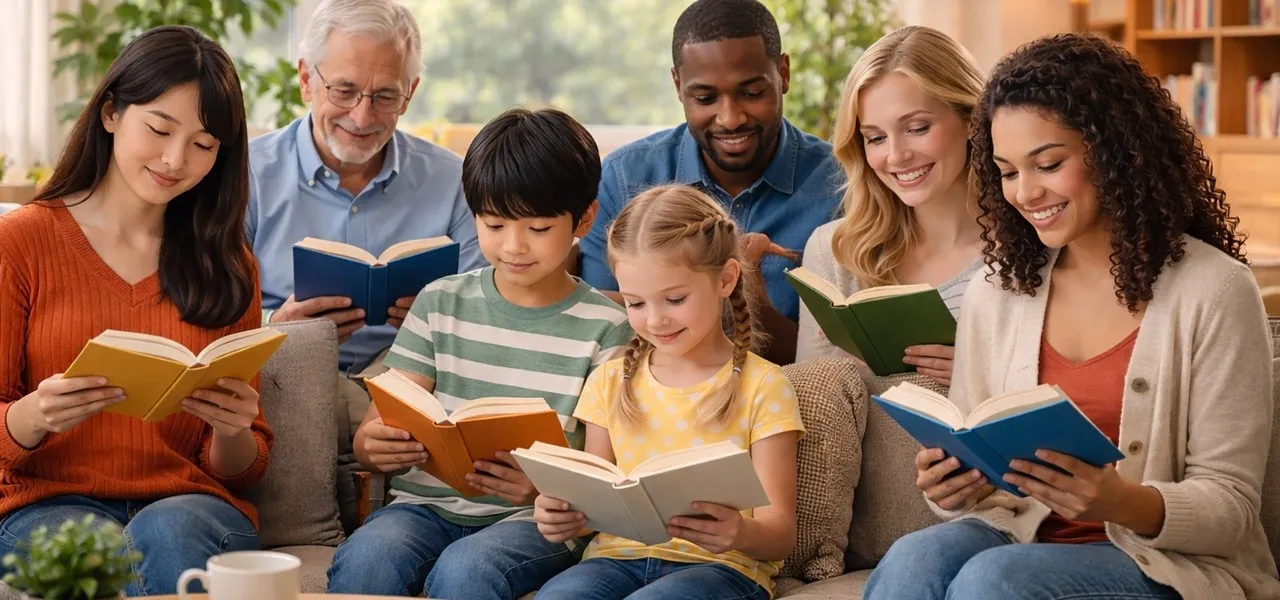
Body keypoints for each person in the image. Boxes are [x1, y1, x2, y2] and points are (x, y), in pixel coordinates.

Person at [864, 33, 1280, 600]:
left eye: (1049, 164)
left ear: (1115, 150)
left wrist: (1120, 501)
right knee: (915, 559)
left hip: (1166, 567)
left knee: (995, 581)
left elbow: (1230, 508)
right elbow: (977, 468)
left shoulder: (1215, 291)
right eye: (1007, 172)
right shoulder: (1000, 287)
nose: (1026, 192)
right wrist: (951, 487)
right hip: (1022, 541)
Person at [0, 26, 272, 596]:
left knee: (168, 529)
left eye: (203, 144)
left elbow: (243, 468)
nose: (176, 159)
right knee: (91, 548)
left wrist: (233, 429)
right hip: (45, 501)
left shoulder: (230, 264)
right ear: (110, 114)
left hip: (189, 507)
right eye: (159, 128)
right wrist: (33, 415)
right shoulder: (20, 243)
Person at [324, 107, 634, 599]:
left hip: (535, 520)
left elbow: (605, 474)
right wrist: (376, 446)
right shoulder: (440, 301)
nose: (513, 246)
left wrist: (540, 488)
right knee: (369, 555)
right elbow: (372, 435)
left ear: (585, 218)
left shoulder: (608, 329)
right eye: (493, 225)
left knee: (468, 569)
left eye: (537, 229)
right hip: (423, 509)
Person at [534, 184, 805, 600]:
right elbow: (594, 500)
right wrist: (565, 515)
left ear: (726, 279)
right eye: (635, 303)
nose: (656, 320)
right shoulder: (610, 381)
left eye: (674, 299)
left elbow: (780, 533)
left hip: (723, 569)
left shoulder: (763, 386)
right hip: (615, 559)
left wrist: (741, 531)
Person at [247, 0, 485, 443]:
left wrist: (439, 322)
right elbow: (205, 314)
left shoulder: (455, 180)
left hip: (411, 383)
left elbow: (486, 311)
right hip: (282, 379)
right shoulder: (245, 175)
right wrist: (275, 324)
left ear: (409, 94)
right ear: (305, 79)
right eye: (344, 90)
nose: (362, 116)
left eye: (385, 96)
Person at [576, 0, 843, 366]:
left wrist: (754, 304)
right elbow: (596, 324)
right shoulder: (625, 178)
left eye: (751, 93)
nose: (730, 119)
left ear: (783, 73)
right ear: (677, 84)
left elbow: (843, 366)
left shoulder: (842, 185)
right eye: (705, 98)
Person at [794, 26, 984, 388]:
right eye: (876, 138)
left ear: (971, 119)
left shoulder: (1029, 253)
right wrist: (840, 364)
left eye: (917, 127)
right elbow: (810, 407)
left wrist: (984, 374)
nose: (896, 156)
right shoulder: (835, 252)